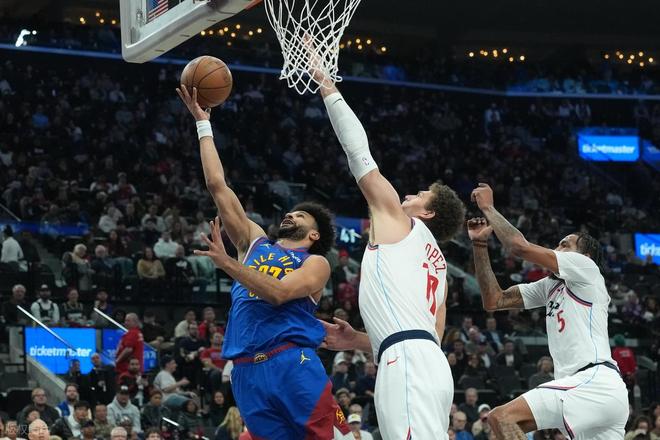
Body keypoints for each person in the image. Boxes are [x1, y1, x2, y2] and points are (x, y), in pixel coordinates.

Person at [177, 85, 349, 439]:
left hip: (291, 362)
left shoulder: (315, 263)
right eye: (291, 211)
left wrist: (228, 264)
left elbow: (280, 294)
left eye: (300, 215)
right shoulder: (254, 242)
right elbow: (218, 186)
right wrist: (203, 125)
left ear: (313, 234)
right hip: (245, 372)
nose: (291, 214)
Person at [313, 70, 465, 439]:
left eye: (420, 195)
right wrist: (358, 340)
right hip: (426, 364)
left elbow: (358, 154)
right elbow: (428, 335)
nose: (410, 195)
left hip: (407, 363)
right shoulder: (439, 269)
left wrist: (328, 88)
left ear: (428, 213)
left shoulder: (400, 221)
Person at [467, 183, 629, 439]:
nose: (557, 249)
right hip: (589, 390)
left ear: (584, 255)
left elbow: (518, 246)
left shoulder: (586, 269)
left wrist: (488, 208)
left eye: (565, 245)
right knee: (505, 427)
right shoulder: (550, 286)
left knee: (502, 417)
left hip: (593, 381)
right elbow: (494, 301)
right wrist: (479, 245)